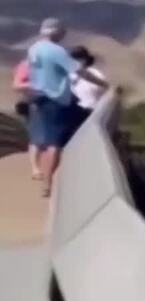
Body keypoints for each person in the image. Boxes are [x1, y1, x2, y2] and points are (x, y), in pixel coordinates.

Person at [25, 18, 87, 197]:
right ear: (57, 32)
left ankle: (44, 175)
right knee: (55, 143)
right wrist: (103, 84)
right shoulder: (56, 51)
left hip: (38, 98)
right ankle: (47, 183)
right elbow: (78, 70)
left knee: (42, 138)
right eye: (62, 32)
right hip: (56, 99)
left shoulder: (33, 49)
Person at [67, 46, 108, 132]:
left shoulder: (96, 74)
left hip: (90, 112)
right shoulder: (70, 75)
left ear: (84, 60)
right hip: (79, 112)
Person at [11, 58, 40, 179]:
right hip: (32, 105)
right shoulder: (26, 65)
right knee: (36, 137)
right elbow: (17, 85)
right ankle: (35, 168)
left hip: (46, 104)